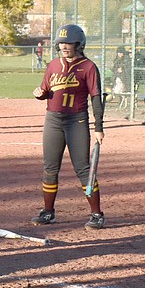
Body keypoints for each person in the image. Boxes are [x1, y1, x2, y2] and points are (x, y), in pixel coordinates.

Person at [30, 24, 106, 230]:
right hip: (53, 120)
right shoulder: (53, 65)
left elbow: (96, 97)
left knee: (83, 169)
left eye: (69, 42)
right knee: (49, 168)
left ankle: (97, 214)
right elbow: (46, 90)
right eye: (61, 42)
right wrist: (40, 93)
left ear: (79, 44)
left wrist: (99, 126)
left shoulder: (89, 67)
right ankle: (48, 212)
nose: (64, 46)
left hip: (76, 121)